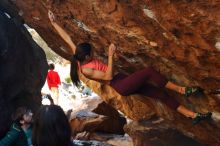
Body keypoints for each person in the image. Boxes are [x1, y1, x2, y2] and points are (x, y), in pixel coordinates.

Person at [48, 11, 212, 125]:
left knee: (160, 94)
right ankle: (182, 90)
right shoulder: (86, 70)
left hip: (123, 80)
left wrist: (54, 23)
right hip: (120, 84)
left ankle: (192, 115)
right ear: (87, 57)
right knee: (149, 72)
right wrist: (111, 55)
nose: (95, 52)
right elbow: (108, 77)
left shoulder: (78, 57)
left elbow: (67, 39)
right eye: (93, 52)